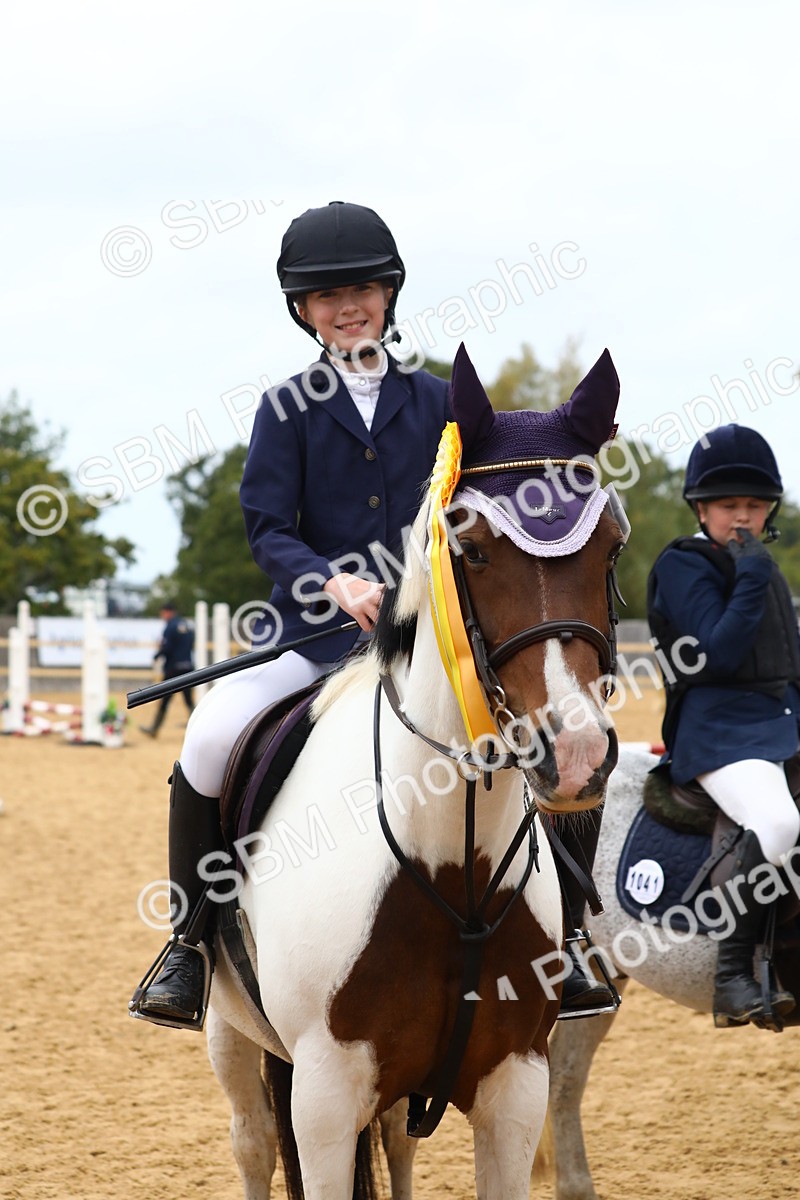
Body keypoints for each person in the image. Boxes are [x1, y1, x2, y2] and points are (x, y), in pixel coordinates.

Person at [134, 201, 451, 1026]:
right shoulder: (285, 407)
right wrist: (333, 583)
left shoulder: (441, 402)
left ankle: (571, 942)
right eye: (328, 296)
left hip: (426, 644)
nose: (349, 307)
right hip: (312, 640)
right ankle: (188, 945)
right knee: (207, 739)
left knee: (531, 730)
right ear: (304, 310)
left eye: (363, 290)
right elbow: (269, 530)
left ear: (389, 293)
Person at [647, 423, 800, 1030]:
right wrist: (753, 576)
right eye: (728, 505)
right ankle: (733, 976)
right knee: (778, 821)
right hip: (719, 733)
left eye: (755, 506)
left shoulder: (760, 565)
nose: (742, 516)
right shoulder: (683, 565)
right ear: (701, 508)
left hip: (780, 722)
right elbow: (717, 655)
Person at [140, 602, 195, 738]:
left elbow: (167, 647)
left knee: (165, 699)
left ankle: (154, 728)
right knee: (189, 701)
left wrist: (157, 655)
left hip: (173, 668)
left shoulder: (170, 627)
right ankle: (199, 727)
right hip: (187, 667)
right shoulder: (187, 625)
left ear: (168, 612)